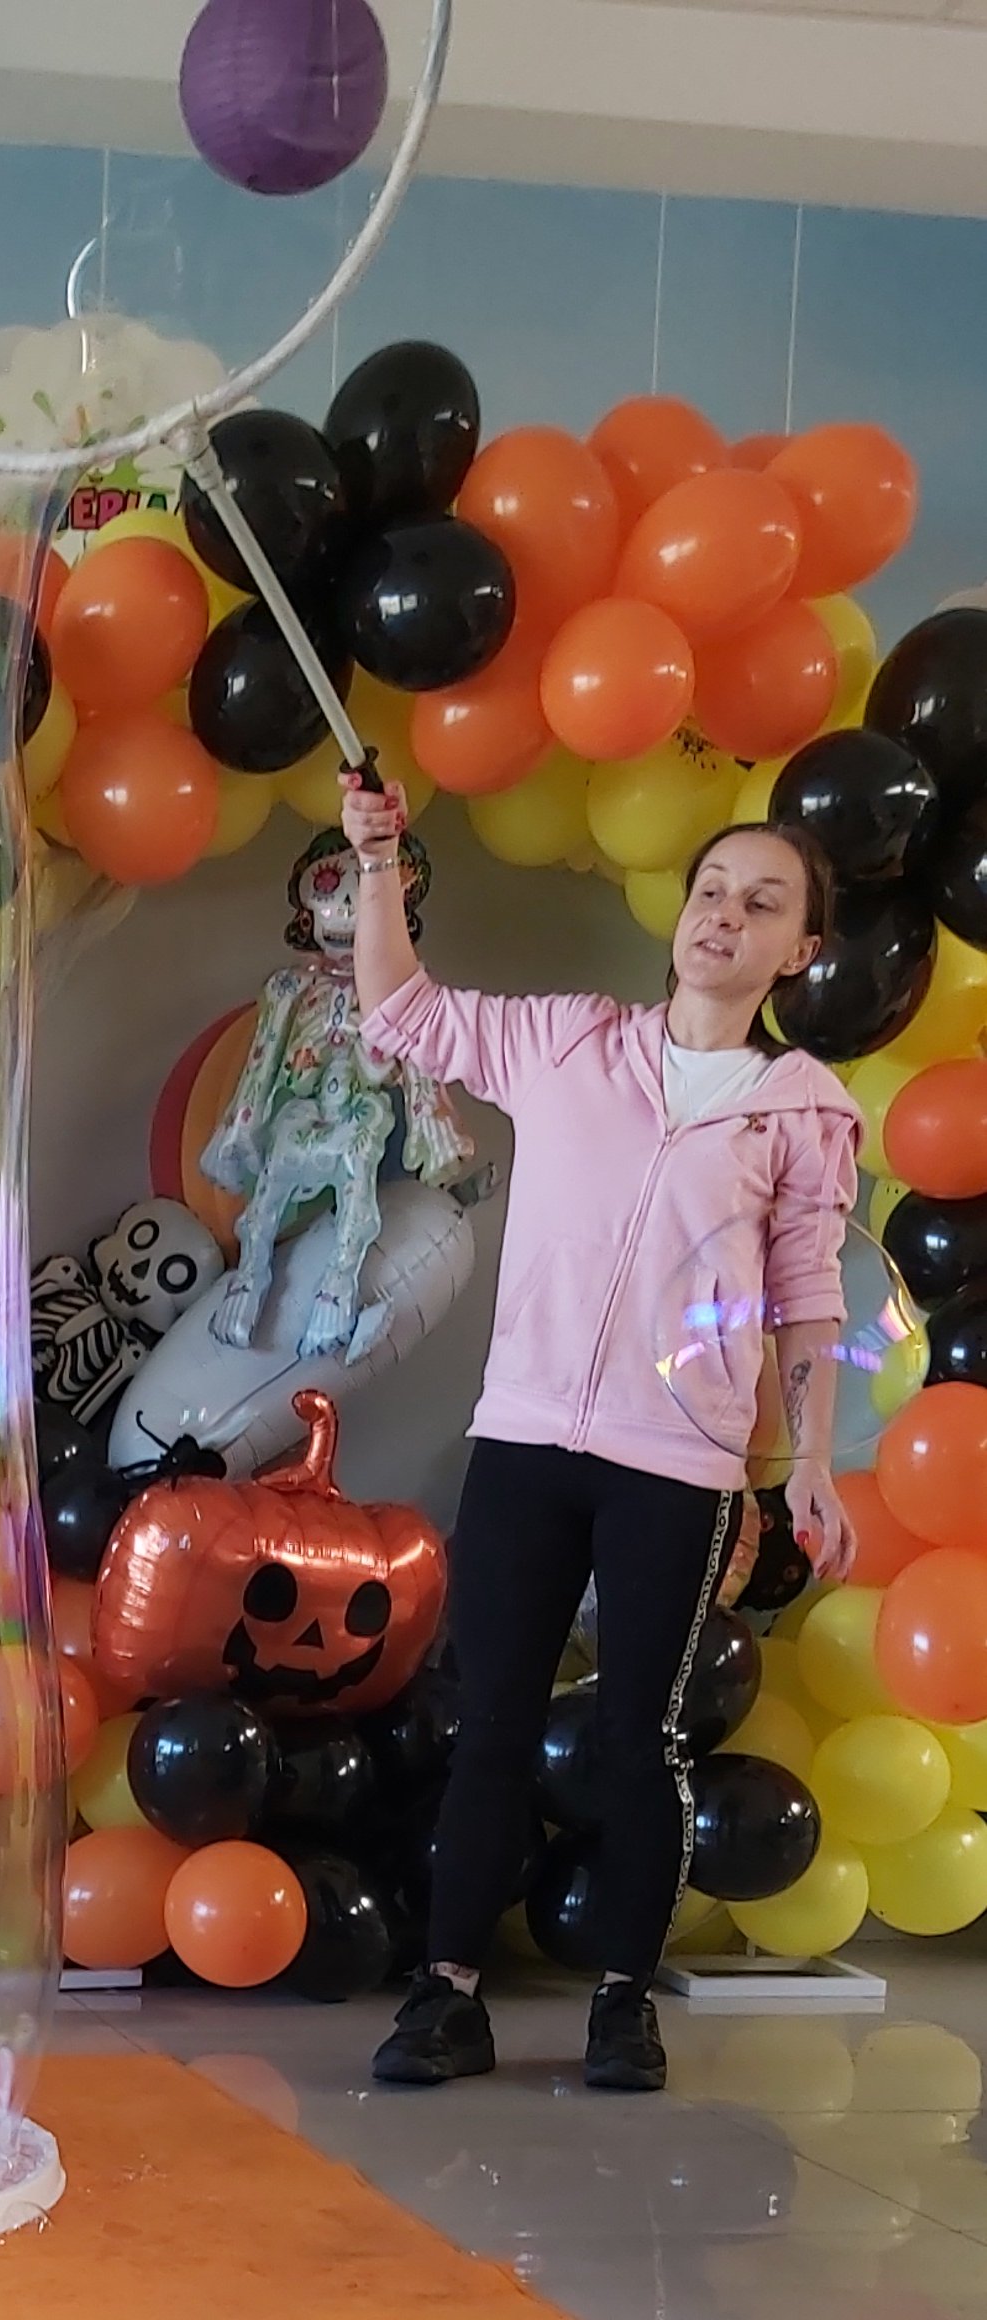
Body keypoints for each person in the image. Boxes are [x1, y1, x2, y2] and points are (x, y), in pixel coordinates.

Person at [342, 777, 861, 2093]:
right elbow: (401, 1009)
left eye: (762, 904)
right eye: (711, 891)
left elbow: (806, 1296)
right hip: (525, 1439)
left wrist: (807, 1459)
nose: (723, 916)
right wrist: (378, 859)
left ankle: (624, 2005)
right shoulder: (570, 1041)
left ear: (800, 950)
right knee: (492, 1722)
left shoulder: (802, 1107)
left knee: (642, 1738)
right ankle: (448, 1995)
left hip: (676, 1464)